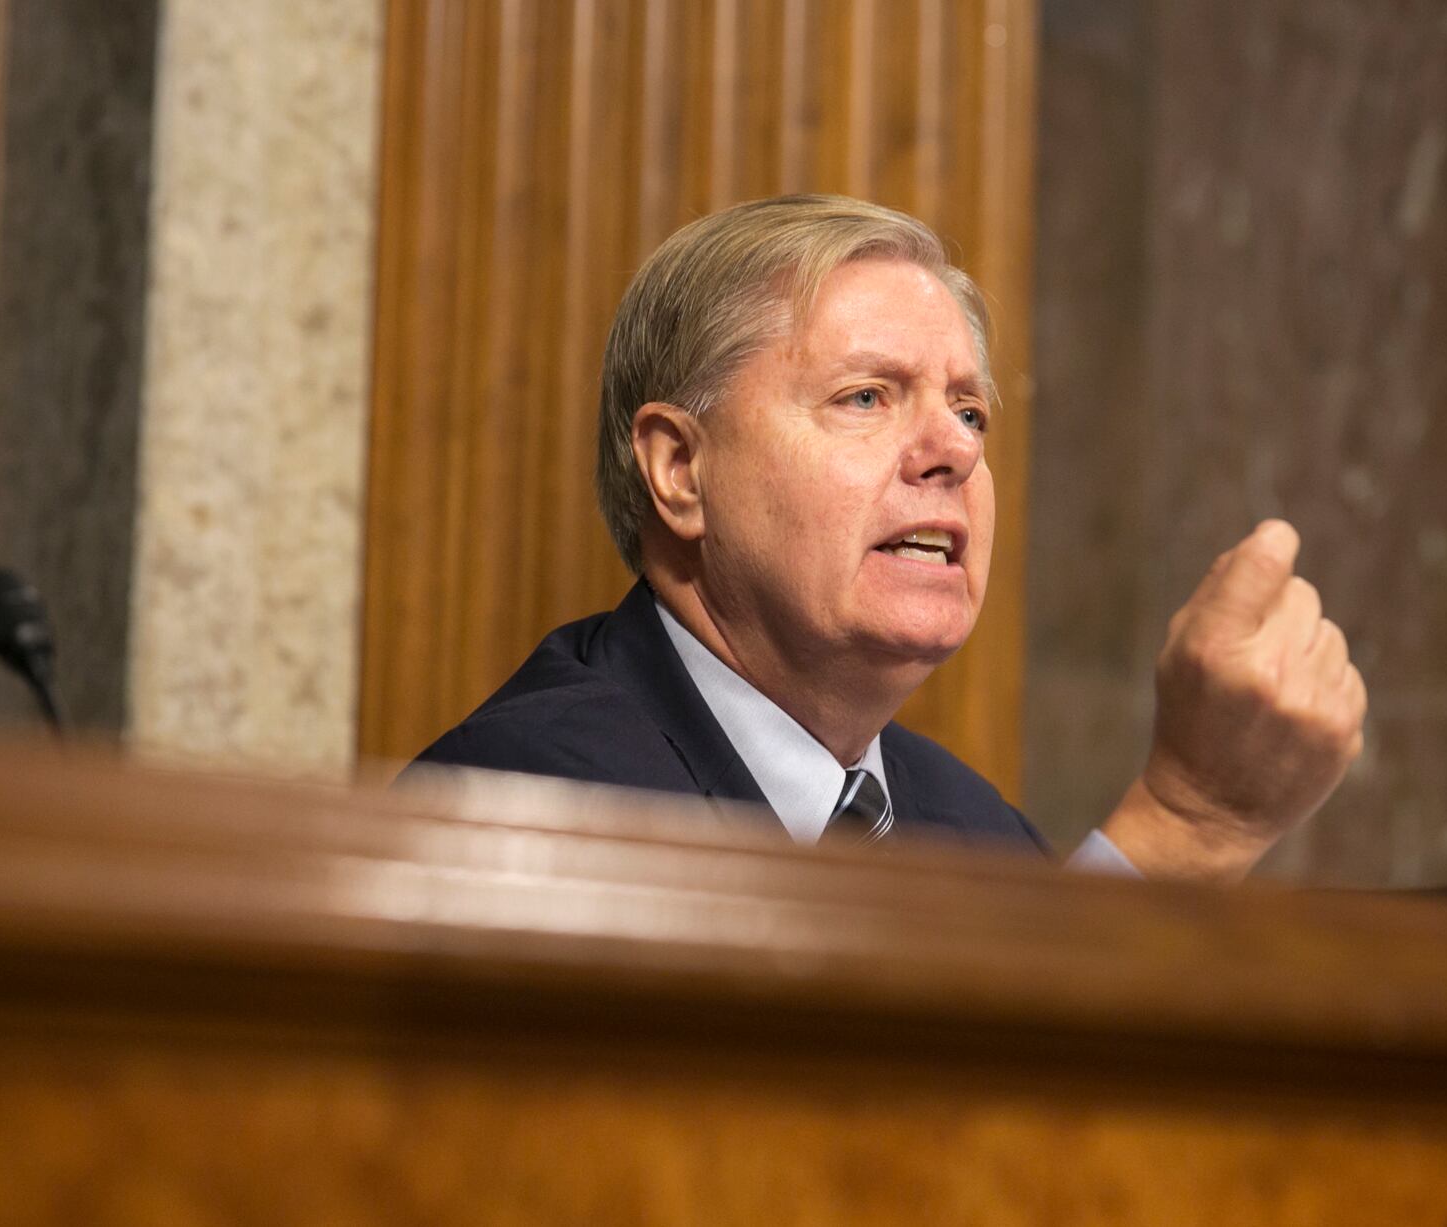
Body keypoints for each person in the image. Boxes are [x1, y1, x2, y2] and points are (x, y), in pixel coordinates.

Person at [412, 195, 1366, 882]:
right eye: (866, 397)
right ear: (680, 469)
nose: (955, 449)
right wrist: (1185, 825)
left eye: (969, 411)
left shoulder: (974, 831)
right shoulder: (531, 800)